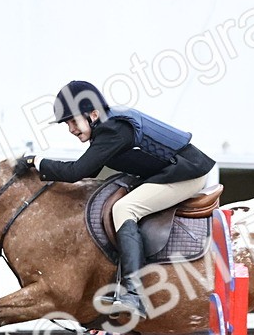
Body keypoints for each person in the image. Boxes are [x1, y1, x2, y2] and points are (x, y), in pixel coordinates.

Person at [16, 81, 216, 320]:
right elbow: (89, 171)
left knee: (124, 208)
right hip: (170, 172)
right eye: (67, 124)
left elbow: (76, 172)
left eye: (73, 121)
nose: (70, 129)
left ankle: (135, 294)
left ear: (93, 114)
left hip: (187, 174)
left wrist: (37, 163)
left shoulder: (113, 130)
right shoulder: (106, 130)